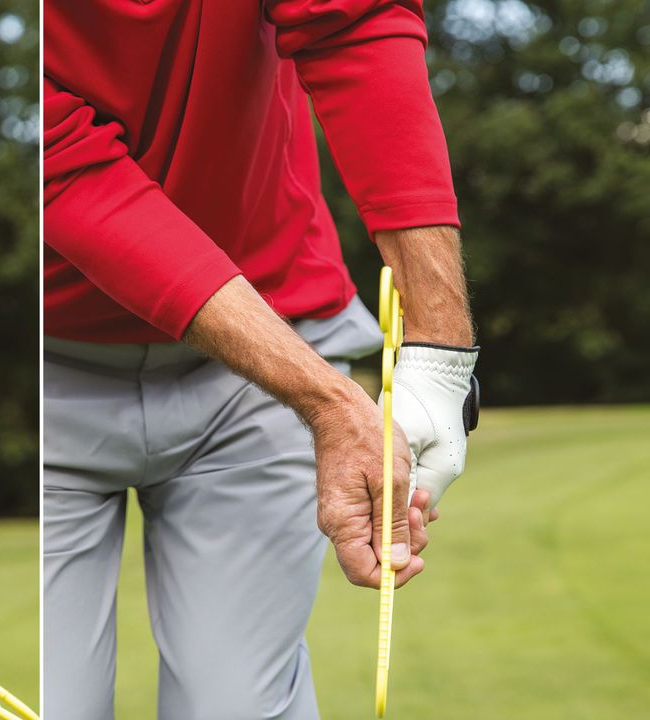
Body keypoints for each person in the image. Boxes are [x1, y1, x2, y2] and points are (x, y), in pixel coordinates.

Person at [42, 1, 479, 718]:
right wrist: (330, 402)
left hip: (265, 362)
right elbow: (66, 168)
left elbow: (355, 22)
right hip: (53, 378)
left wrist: (439, 357)